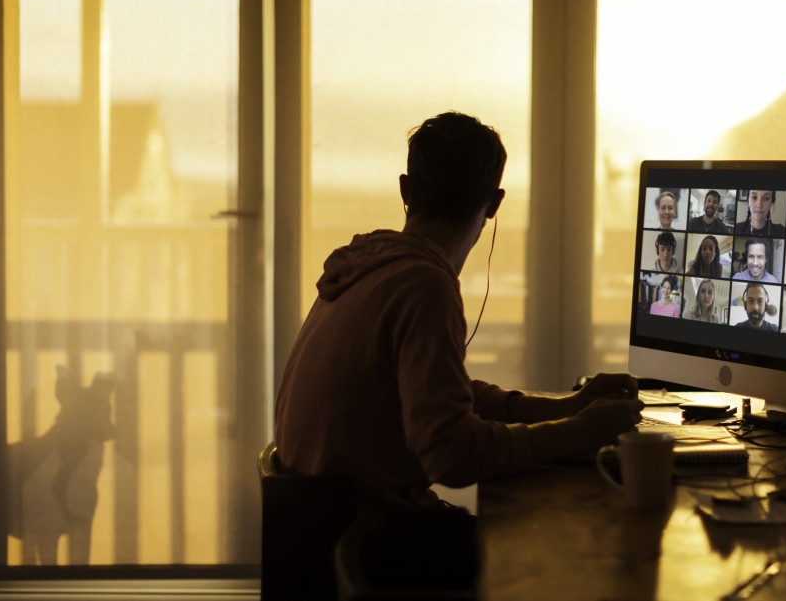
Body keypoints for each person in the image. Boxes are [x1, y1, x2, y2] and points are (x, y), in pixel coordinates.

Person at [275, 111, 643, 512]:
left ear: (406, 190)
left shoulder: (365, 267)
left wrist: (568, 408)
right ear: (494, 204)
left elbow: (441, 392)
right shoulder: (421, 285)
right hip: (365, 545)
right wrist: (577, 434)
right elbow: (452, 454)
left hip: (314, 533)